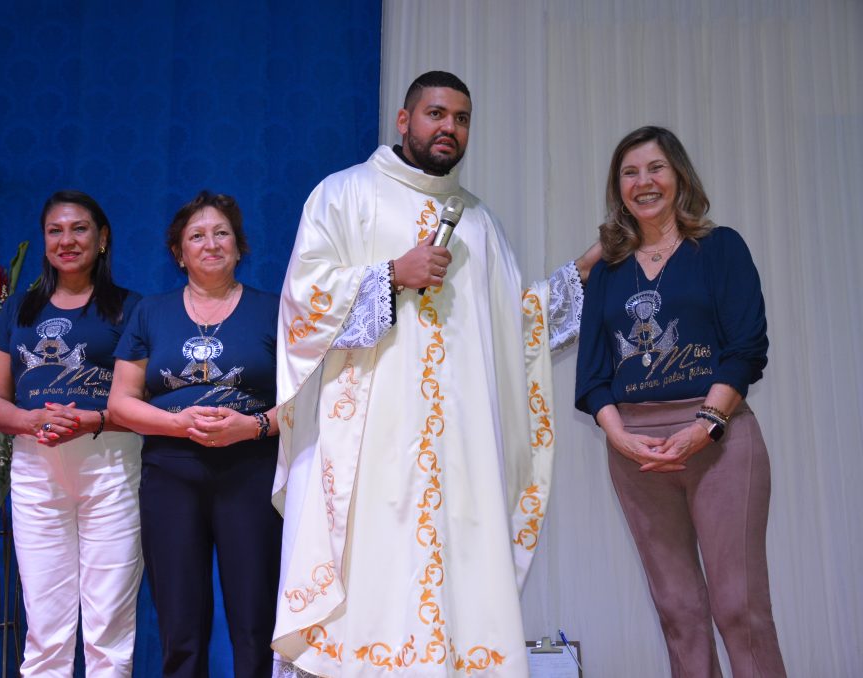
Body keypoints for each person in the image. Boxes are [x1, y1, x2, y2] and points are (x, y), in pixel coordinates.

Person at [271, 71, 599, 677]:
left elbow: (516, 324)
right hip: (370, 444)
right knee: (369, 589)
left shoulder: (479, 223)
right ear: (404, 120)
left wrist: (584, 269)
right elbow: (303, 302)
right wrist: (392, 273)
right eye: (436, 114)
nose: (450, 127)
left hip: (456, 454)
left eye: (462, 118)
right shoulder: (344, 195)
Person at [575, 126, 786, 677]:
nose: (643, 182)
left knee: (739, 608)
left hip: (719, 439)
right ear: (618, 188)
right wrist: (618, 436)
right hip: (635, 452)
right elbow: (593, 374)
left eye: (656, 168)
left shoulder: (720, 248)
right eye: (629, 172)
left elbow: (746, 348)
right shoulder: (608, 272)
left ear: (680, 176)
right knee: (678, 612)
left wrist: (706, 424)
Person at [108, 191, 282, 678]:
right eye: (197, 236)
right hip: (171, 472)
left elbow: (305, 400)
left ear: (239, 247)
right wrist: (177, 423)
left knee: (255, 620)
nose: (211, 244)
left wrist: (253, 426)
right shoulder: (151, 312)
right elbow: (121, 401)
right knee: (180, 625)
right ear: (178, 253)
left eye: (222, 233)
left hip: (251, 471)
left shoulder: (275, 310)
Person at [0, 190, 143, 677]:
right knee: (45, 625)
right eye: (55, 231)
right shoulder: (19, 310)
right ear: (45, 240)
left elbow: (144, 402)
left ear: (103, 238)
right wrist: (30, 421)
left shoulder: (131, 309)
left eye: (79, 229)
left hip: (110, 465)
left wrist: (92, 420)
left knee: (109, 625)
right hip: (36, 466)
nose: (66, 240)